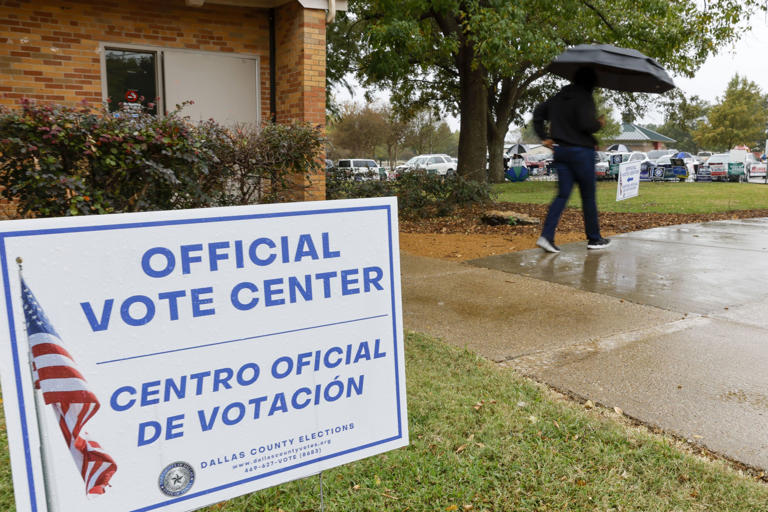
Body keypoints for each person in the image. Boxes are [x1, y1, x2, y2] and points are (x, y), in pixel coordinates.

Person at [532, 67, 611, 253]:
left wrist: (544, 137)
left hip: (561, 152)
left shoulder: (558, 98)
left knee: (562, 195)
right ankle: (594, 238)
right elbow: (585, 124)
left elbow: (538, 113)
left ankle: (546, 236)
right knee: (588, 196)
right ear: (590, 82)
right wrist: (597, 124)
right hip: (581, 153)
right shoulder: (584, 97)